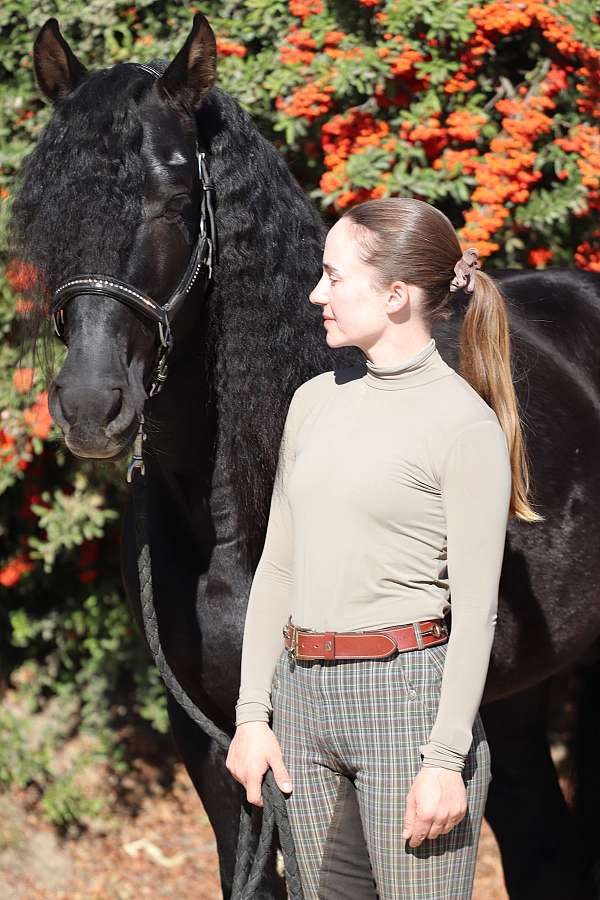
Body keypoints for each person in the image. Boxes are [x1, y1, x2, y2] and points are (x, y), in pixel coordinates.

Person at [226, 198, 541, 899]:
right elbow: (278, 567)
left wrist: (445, 758)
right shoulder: (312, 402)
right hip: (301, 706)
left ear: (395, 296)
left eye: (334, 277)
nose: (317, 294)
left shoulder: (463, 426)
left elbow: (478, 613)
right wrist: (253, 716)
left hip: (406, 706)